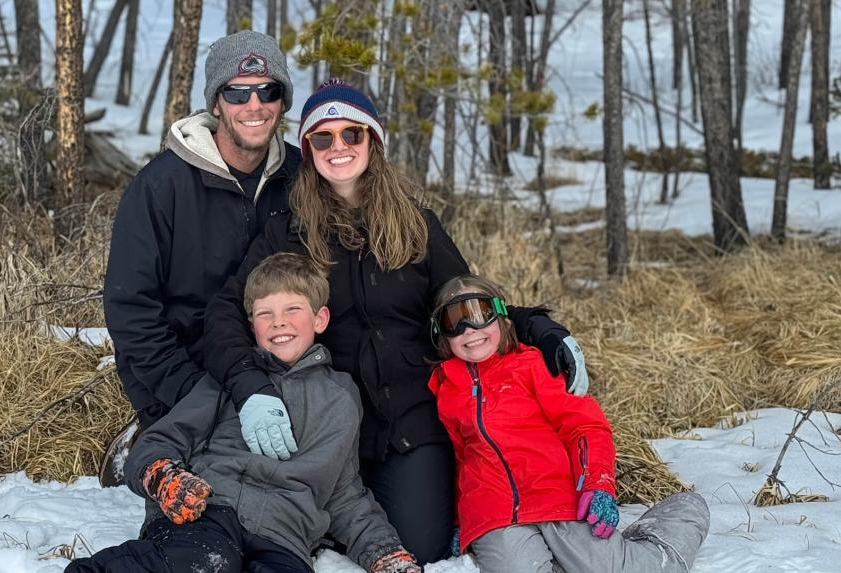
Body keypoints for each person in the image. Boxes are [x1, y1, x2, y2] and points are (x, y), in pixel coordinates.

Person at [203, 78, 591, 564]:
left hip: (410, 419)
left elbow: (465, 305)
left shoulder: (417, 225)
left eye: (352, 134)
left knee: (419, 544)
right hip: (324, 418)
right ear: (308, 149)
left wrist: (540, 329)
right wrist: (249, 384)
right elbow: (226, 309)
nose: (338, 147)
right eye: (323, 138)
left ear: (374, 141)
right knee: (299, 526)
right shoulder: (288, 229)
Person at [67, 253, 420, 573]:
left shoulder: (340, 398)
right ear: (251, 324)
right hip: (206, 514)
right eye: (265, 314)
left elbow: (345, 492)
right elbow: (160, 440)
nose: (279, 323)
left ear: (320, 318)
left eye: (292, 310)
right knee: (200, 563)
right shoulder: (228, 380)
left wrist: (383, 552)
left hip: (284, 537)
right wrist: (163, 476)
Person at [100, 30, 300, 484]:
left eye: (267, 90)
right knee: (222, 486)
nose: (254, 105)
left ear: (282, 101)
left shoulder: (300, 176)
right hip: (186, 371)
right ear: (216, 103)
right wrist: (192, 395)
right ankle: (149, 441)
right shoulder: (160, 186)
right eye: (237, 92)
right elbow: (131, 311)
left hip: (275, 360)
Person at [427, 274, 710, 573]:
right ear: (441, 332)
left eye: (479, 314)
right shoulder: (445, 388)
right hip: (495, 516)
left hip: (559, 499)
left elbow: (585, 427)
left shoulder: (533, 364)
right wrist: (462, 522)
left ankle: (674, 524)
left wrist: (597, 483)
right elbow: (459, 459)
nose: (469, 329)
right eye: (454, 320)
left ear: (502, 317)